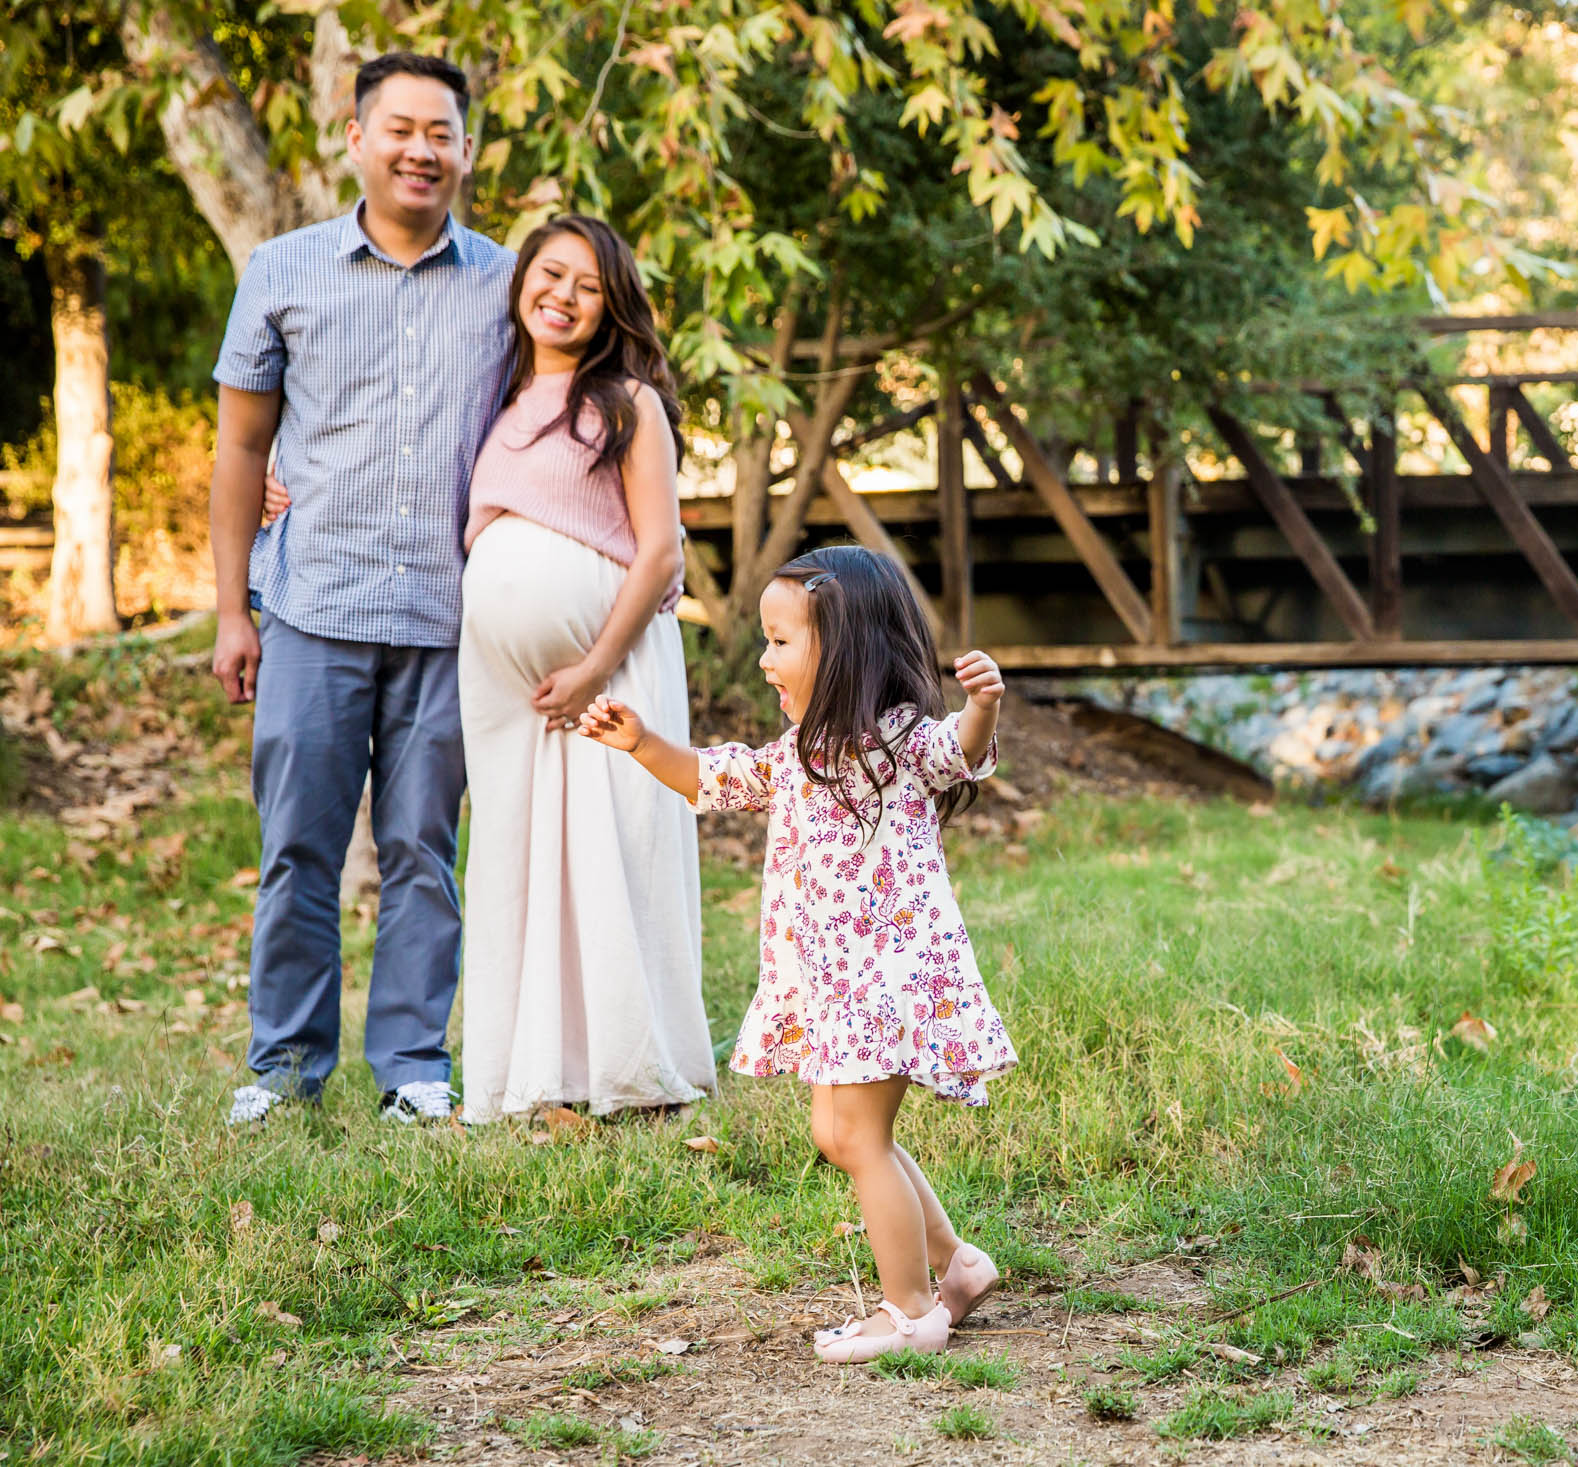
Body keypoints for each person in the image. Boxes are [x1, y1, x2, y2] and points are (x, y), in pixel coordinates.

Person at [578, 544, 1017, 1362]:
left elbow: (958, 747)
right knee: (851, 1132)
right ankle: (956, 1264)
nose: (763, 658)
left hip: (886, 978)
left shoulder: (897, 744)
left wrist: (983, 704)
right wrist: (642, 743)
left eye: (781, 641)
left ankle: (910, 1311)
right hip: (835, 984)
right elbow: (718, 774)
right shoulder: (800, 755)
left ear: (845, 646)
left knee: (853, 1135)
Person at [209, 53, 514, 1126]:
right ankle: (285, 1067)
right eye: (400, 128)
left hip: (448, 618)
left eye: (442, 133)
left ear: (466, 152)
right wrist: (229, 611)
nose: (421, 150)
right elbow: (242, 450)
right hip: (311, 610)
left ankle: (414, 1069)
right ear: (355, 139)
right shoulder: (281, 270)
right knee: (297, 845)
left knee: (426, 849)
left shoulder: (508, 282)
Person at [450, 214, 710, 1121]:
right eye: (550, 275)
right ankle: (529, 1076)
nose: (562, 295)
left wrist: (597, 665)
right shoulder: (492, 397)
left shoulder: (628, 402)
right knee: (516, 860)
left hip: (614, 664)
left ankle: (636, 1071)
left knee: (614, 849)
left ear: (611, 308)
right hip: (505, 689)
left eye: (587, 285)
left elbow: (661, 555)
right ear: (522, 281)